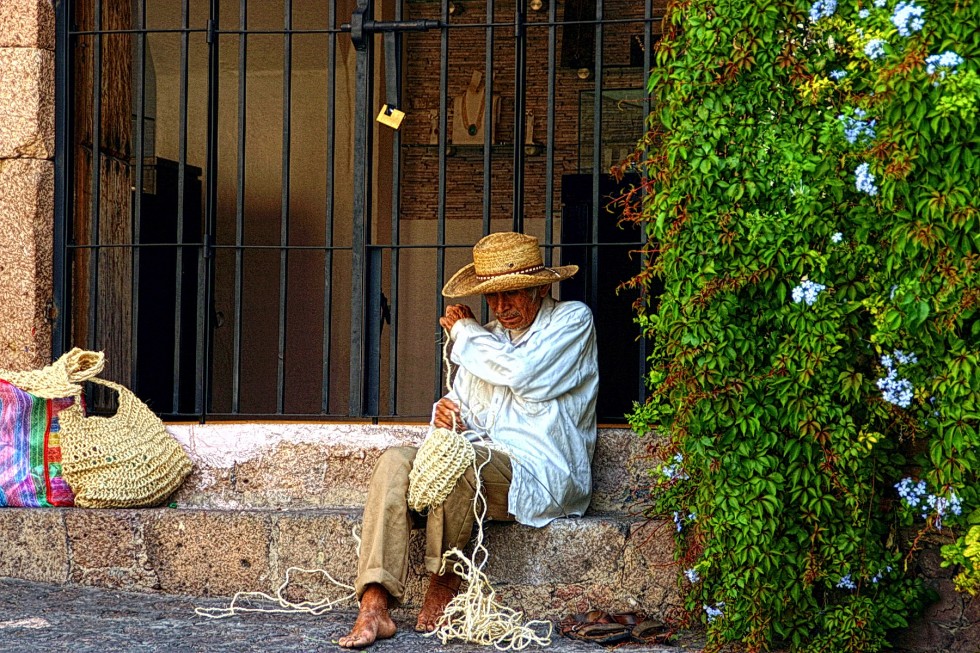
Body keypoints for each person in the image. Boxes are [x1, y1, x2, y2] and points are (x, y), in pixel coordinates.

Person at [339, 232, 598, 648]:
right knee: (393, 462)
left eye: (511, 294)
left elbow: (521, 374)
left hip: (541, 470)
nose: (501, 307)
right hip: (482, 457)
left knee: (462, 463)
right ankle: (374, 603)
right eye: (491, 297)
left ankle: (445, 578)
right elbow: (462, 407)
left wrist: (463, 330)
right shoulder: (485, 337)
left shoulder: (572, 321)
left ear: (541, 287)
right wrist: (444, 416)